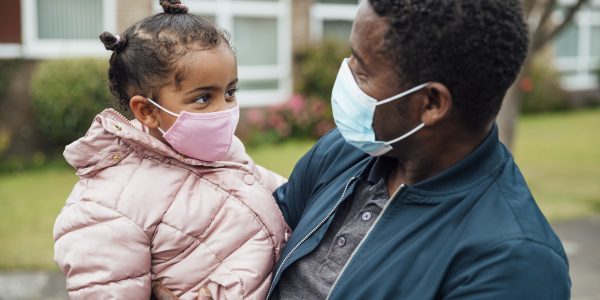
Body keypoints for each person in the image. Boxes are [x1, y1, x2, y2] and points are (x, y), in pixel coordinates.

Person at [268, 0, 570, 299]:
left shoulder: (513, 265)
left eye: (362, 71)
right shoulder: (345, 151)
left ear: (431, 104)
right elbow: (257, 236)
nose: (345, 73)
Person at [53, 1, 289, 299]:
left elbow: (288, 197)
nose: (225, 110)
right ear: (147, 111)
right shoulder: (106, 206)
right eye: (204, 98)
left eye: (230, 92)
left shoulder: (226, 153)